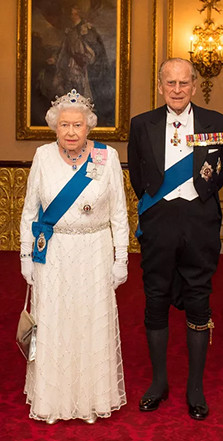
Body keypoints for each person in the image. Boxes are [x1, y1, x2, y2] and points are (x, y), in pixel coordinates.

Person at [128, 58, 223, 421]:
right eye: (170, 83)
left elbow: (219, 174)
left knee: (199, 301)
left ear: (194, 85)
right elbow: (138, 176)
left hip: (200, 223)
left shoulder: (219, 123)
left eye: (183, 83)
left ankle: (195, 388)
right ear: (159, 86)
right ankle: (158, 383)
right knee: (155, 299)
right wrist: (160, 211)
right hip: (159, 223)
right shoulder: (141, 124)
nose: (177, 89)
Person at [19, 89, 129, 424]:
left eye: (77, 125)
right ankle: (53, 401)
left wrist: (121, 258)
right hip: (54, 253)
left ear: (88, 127)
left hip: (95, 250)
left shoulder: (106, 157)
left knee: (90, 321)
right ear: (55, 126)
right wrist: (25, 255)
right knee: (55, 323)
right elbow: (29, 211)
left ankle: (91, 400)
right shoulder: (43, 156)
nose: (70, 131)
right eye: (64, 124)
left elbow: (119, 213)